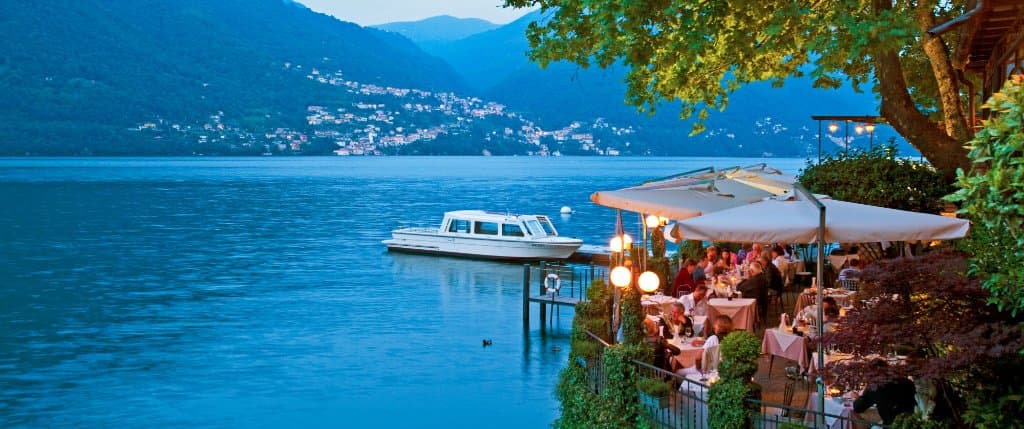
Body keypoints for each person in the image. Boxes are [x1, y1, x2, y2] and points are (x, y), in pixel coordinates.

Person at [853, 360, 917, 425]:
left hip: (892, 424)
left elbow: (858, 407)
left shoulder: (876, 387)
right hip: (914, 422)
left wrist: (858, 397)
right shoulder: (907, 382)